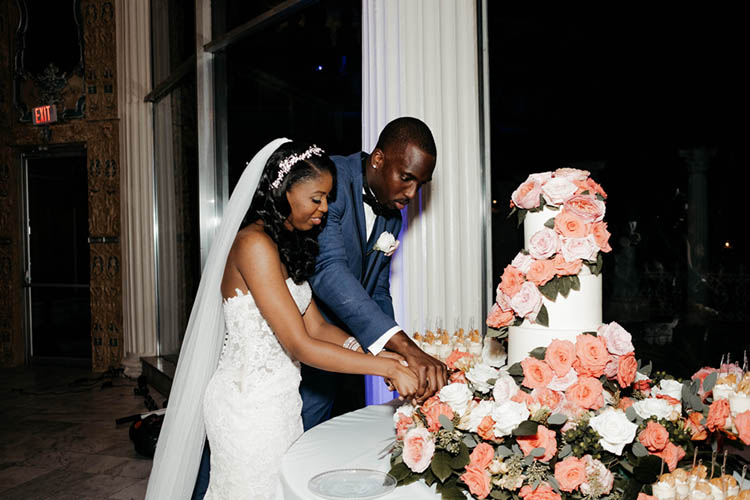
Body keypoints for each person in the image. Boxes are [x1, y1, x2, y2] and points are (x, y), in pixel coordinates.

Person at [145, 139, 419, 500]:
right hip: (247, 407)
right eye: (316, 198)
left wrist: (377, 353)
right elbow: (299, 344)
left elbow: (317, 326)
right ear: (284, 191)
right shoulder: (253, 245)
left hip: (281, 402)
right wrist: (381, 368)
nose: (324, 209)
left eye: (327, 198)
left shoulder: (288, 245)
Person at [302, 116, 448, 430]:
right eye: (407, 177)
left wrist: (394, 356)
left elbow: (378, 288)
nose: (411, 193)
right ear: (379, 159)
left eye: (420, 184)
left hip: (350, 354)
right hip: (304, 346)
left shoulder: (391, 211)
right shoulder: (331, 181)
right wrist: (408, 347)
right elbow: (327, 270)